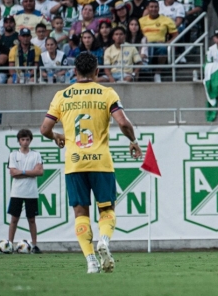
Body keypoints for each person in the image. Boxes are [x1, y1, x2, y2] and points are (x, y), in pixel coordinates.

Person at [40, 52, 142, 273]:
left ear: (74, 72)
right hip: (101, 163)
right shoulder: (107, 93)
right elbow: (123, 123)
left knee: (80, 213)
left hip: (75, 163)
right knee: (107, 208)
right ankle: (104, 240)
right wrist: (133, 140)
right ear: (97, 72)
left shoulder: (61, 95)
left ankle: (90, 261)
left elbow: (45, 129)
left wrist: (56, 137)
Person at [6, 129, 44, 253]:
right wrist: (29, 172)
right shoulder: (13, 155)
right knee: (14, 219)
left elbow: (39, 172)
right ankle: (10, 244)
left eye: (27, 139)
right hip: (17, 192)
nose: (25, 142)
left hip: (31, 192)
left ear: (30, 140)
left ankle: (34, 245)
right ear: (19, 141)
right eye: (23, 139)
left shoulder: (36, 155)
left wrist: (21, 171)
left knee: (32, 219)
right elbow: (13, 173)